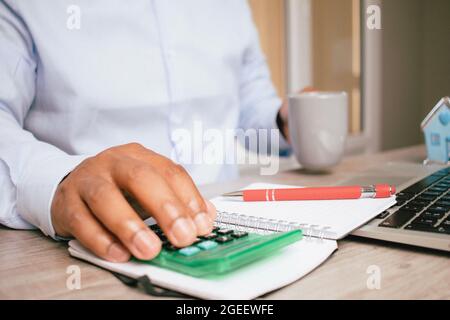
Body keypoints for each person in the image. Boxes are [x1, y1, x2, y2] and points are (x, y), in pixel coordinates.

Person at [0, 0, 291, 262]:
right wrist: (57, 182)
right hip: (92, 246)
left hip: (231, 220)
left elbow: (251, 104)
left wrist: (283, 122)